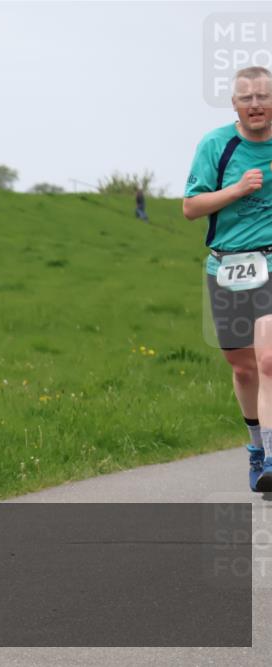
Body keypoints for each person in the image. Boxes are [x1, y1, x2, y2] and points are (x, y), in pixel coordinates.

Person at [183, 65, 272, 492]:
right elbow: (191, 207)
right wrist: (237, 189)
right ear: (235, 104)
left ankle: (271, 456)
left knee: (270, 359)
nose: (256, 104)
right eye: (247, 97)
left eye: (263, 96)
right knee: (243, 369)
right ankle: (256, 449)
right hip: (228, 267)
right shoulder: (216, 145)